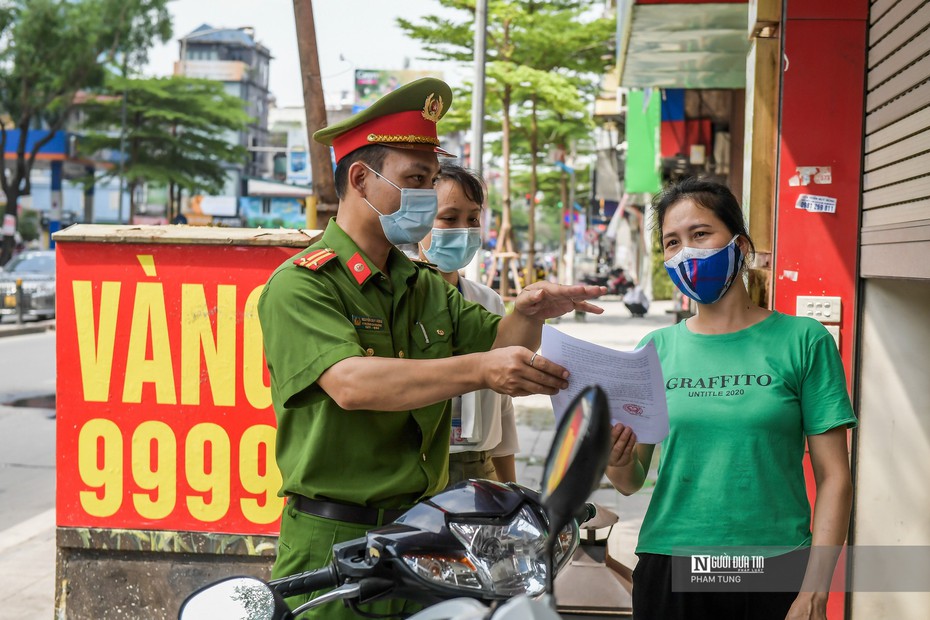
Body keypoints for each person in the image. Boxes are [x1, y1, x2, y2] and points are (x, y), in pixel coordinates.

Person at [257, 77, 605, 619]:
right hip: (336, 540)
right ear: (360, 179)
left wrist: (527, 311)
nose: (425, 194)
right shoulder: (303, 285)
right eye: (415, 180)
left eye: (428, 179)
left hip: (425, 540)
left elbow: (497, 341)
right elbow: (351, 384)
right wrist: (483, 369)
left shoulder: (418, 284)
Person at [606, 177, 856, 620]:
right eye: (672, 242)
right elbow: (630, 480)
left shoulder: (803, 341)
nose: (686, 252)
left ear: (739, 245)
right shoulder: (655, 350)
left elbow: (835, 477)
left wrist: (816, 590)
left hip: (773, 568)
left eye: (700, 234)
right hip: (672, 564)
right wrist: (616, 456)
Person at [417, 163, 518, 484]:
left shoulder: (489, 302)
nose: (464, 229)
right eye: (449, 218)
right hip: (417, 469)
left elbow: (503, 407)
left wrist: (510, 489)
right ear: (417, 222)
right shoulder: (398, 299)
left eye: (472, 218)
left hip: (479, 469)